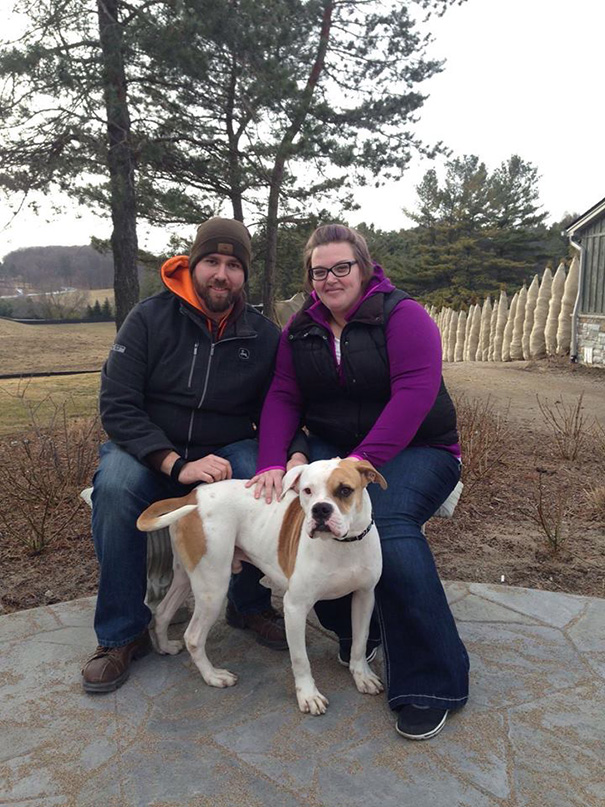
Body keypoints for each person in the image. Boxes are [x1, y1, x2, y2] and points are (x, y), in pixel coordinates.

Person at [248, 223, 469, 740]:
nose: (330, 278)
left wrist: (360, 464)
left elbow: (415, 394)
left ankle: (430, 680)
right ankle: (355, 635)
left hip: (420, 447)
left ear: (364, 267)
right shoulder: (301, 328)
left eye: (341, 267)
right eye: (319, 271)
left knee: (385, 524)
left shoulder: (404, 317)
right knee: (303, 516)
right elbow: (283, 395)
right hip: (338, 453)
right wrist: (270, 463)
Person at [82, 217, 304, 694]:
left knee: (255, 476)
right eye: (211, 262)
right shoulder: (149, 318)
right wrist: (175, 464)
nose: (221, 274)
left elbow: (280, 408)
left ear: (243, 274)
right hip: (145, 451)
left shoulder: (263, 336)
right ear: (192, 263)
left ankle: (247, 606)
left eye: (232, 265)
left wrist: (293, 453)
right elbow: (117, 405)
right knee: (116, 489)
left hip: (223, 450)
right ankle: (122, 634)